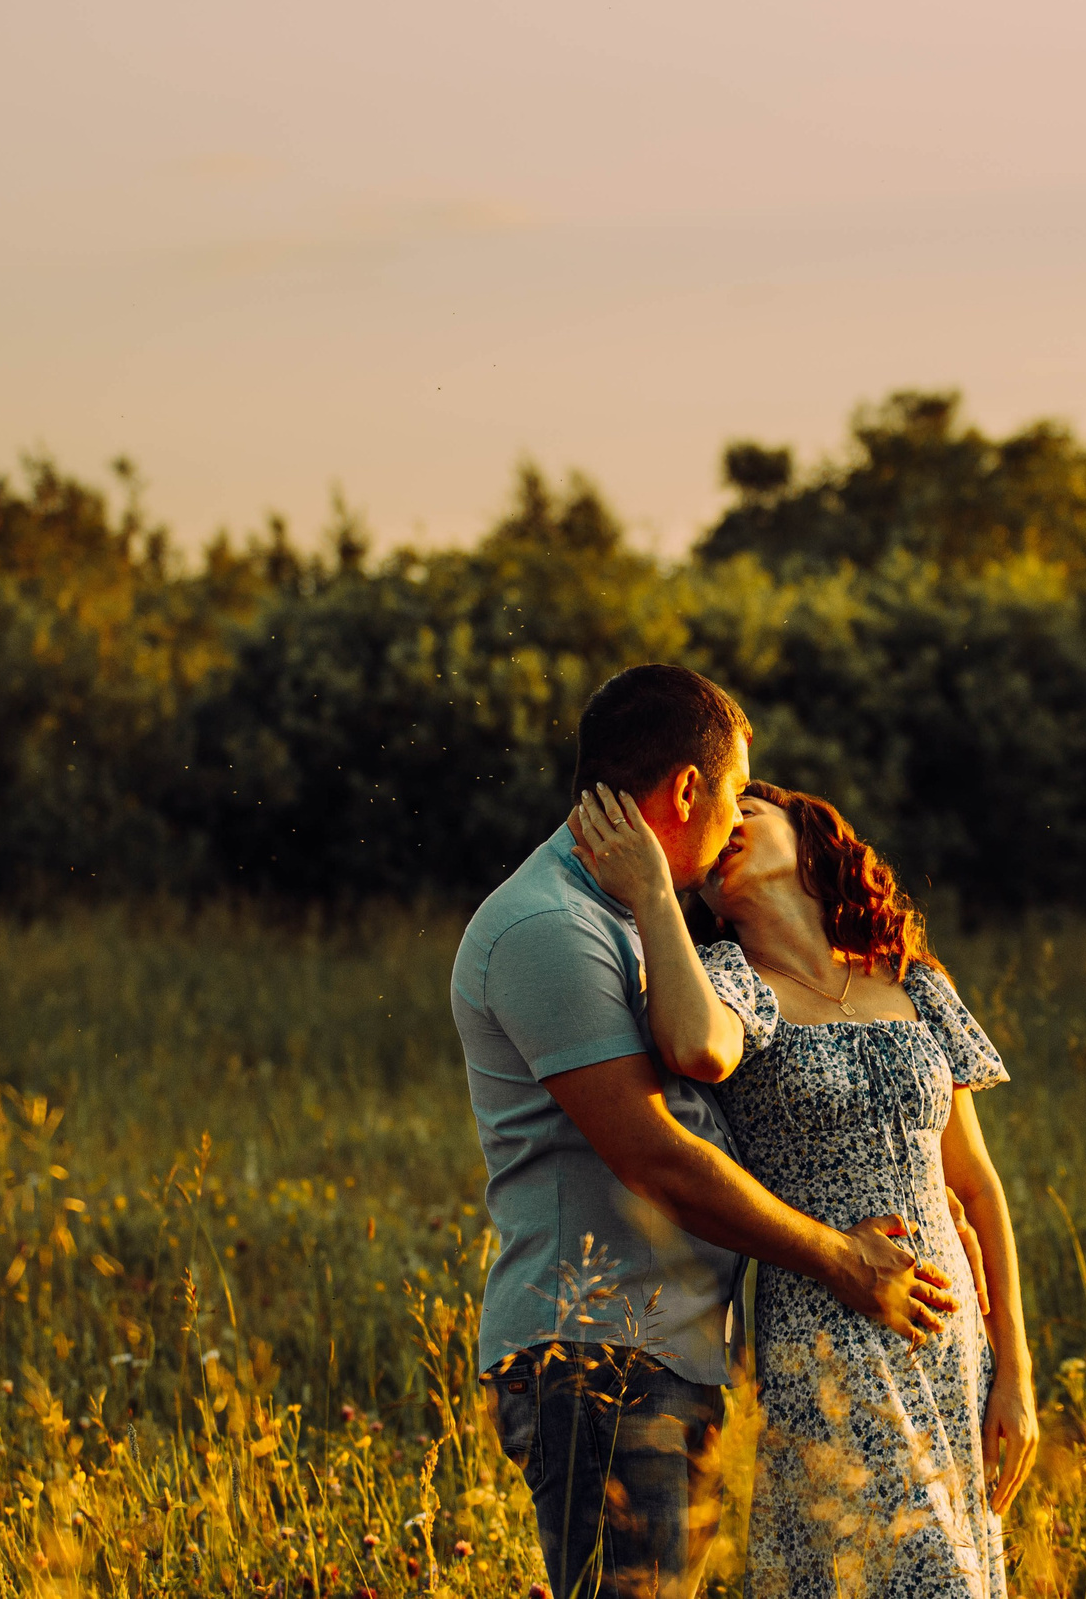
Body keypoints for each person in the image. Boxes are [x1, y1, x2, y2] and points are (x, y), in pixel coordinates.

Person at [451, 665, 964, 1599]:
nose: (737, 820)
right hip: (598, 1351)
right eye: (735, 794)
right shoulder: (549, 925)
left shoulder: (633, 918)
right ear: (688, 789)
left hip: (669, 1352)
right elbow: (657, 1158)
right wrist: (838, 1257)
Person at [569, 778, 1037, 1599]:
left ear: (811, 839)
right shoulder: (729, 979)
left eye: (748, 811)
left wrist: (1016, 1373)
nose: (728, 828)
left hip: (957, 1343)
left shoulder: (913, 981)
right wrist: (653, 891)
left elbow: (976, 1183)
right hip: (830, 1328)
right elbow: (692, 1044)